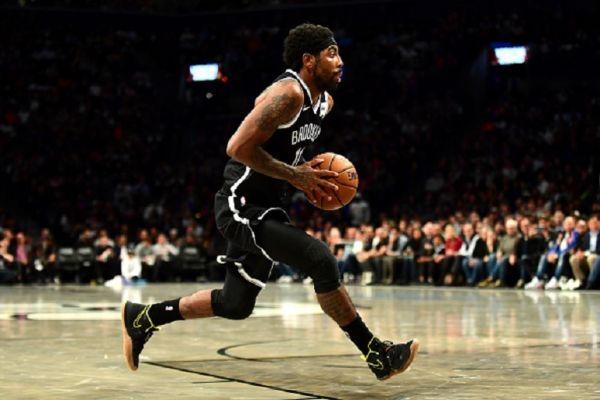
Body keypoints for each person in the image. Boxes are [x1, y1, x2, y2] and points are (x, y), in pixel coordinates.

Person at [121, 23, 418, 381]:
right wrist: (295, 176)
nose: (340, 61)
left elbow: (286, 147)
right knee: (320, 260)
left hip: (270, 204)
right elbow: (236, 147)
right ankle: (376, 354)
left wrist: (302, 169)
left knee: (235, 304)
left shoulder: (325, 102)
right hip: (240, 203)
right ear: (309, 60)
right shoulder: (287, 94)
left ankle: (143, 317)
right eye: (332, 53)